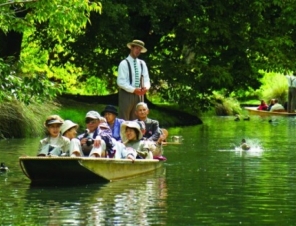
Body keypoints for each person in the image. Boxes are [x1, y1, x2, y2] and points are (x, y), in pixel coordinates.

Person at [117, 39, 151, 120]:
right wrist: (133, 89)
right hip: (126, 94)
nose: (138, 51)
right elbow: (121, 81)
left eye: (140, 49)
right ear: (131, 48)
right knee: (124, 118)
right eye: (136, 48)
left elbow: (146, 79)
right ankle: (123, 133)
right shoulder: (124, 63)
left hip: (139, 94)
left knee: (138, 119)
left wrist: (146, 88)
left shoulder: (142, 63)